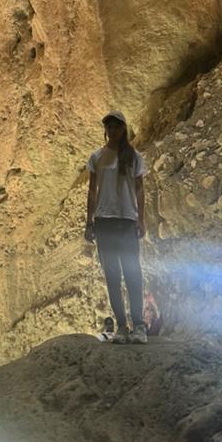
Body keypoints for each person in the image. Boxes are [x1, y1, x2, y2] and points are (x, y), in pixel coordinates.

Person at [85, 110, 148, 344]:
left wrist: (141, 219)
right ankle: (122, 326)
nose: (112, 131)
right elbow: (92, 191)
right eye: (108, 127)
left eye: (116, 127)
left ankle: (139, 326)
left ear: (123, 129)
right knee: (112, 276)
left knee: (133, 274)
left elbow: (140, 189)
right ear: (106, 130)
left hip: (127, 221)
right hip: (105, 222)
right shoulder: (96, 157)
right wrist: (88, 222)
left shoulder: (134, 157)